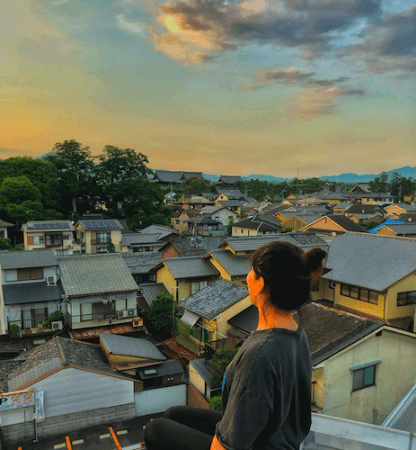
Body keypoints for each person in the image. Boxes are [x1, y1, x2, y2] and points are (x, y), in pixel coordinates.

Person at [144, 241, 327, 450]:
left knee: (155, 430)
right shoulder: (295, 331)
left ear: (260, 284)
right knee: (174, 414)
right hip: (277, 435)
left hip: (261, 445)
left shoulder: (260, 354)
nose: (247, 276)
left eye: (252, 271)